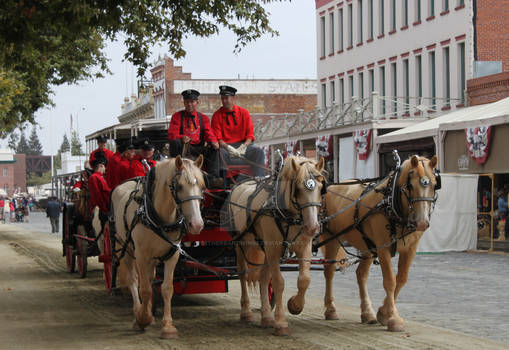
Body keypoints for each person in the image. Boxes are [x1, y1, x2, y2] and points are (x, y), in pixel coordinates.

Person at [211, 85, 265, 177]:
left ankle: (259, 179)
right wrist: (228, 148)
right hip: (226, 149)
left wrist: (243, 146)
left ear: (233, 98)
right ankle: (221, 181)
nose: (224, 101)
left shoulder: (244, 113)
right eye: (222, 98)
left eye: (226, 98)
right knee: (219, 153)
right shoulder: (217, 115)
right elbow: (218, 138)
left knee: (258, 152)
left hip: (243, 147)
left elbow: (250, 135)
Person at [168, 89, 220, 183]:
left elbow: (209, 133)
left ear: (197, 102)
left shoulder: (203, 118)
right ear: (184, 103)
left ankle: (213, 178)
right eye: (187, 102)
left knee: (214, 149)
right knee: (175, 142)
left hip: (198, 148)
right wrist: (181, 137)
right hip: (184, 147)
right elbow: (172, 134)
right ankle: (176, 170)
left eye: (192, 102)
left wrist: (214, 141)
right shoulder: (177, 116)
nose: (189, 104)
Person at [88, 154, 111, 227]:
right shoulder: (94, 177)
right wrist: (104, 210)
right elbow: (97, 196)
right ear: (101, 165)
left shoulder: (101, 177)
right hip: (102, 210)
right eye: (104, 167)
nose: (105, 170)